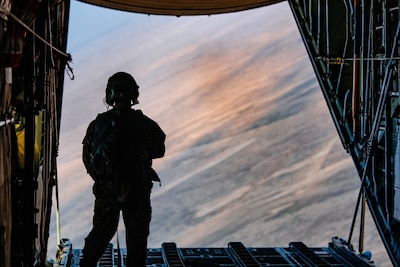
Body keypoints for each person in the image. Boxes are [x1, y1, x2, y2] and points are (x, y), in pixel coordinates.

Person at [80, 72, 166, 267]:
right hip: (137, 188)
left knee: (100, 234)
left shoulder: (98, 124)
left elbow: (88, 159)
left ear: (109, 95)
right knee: (137, 239)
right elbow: (159, 150)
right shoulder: (145, 124)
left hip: (107, 190)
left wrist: (104, 179)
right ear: (134, 95)